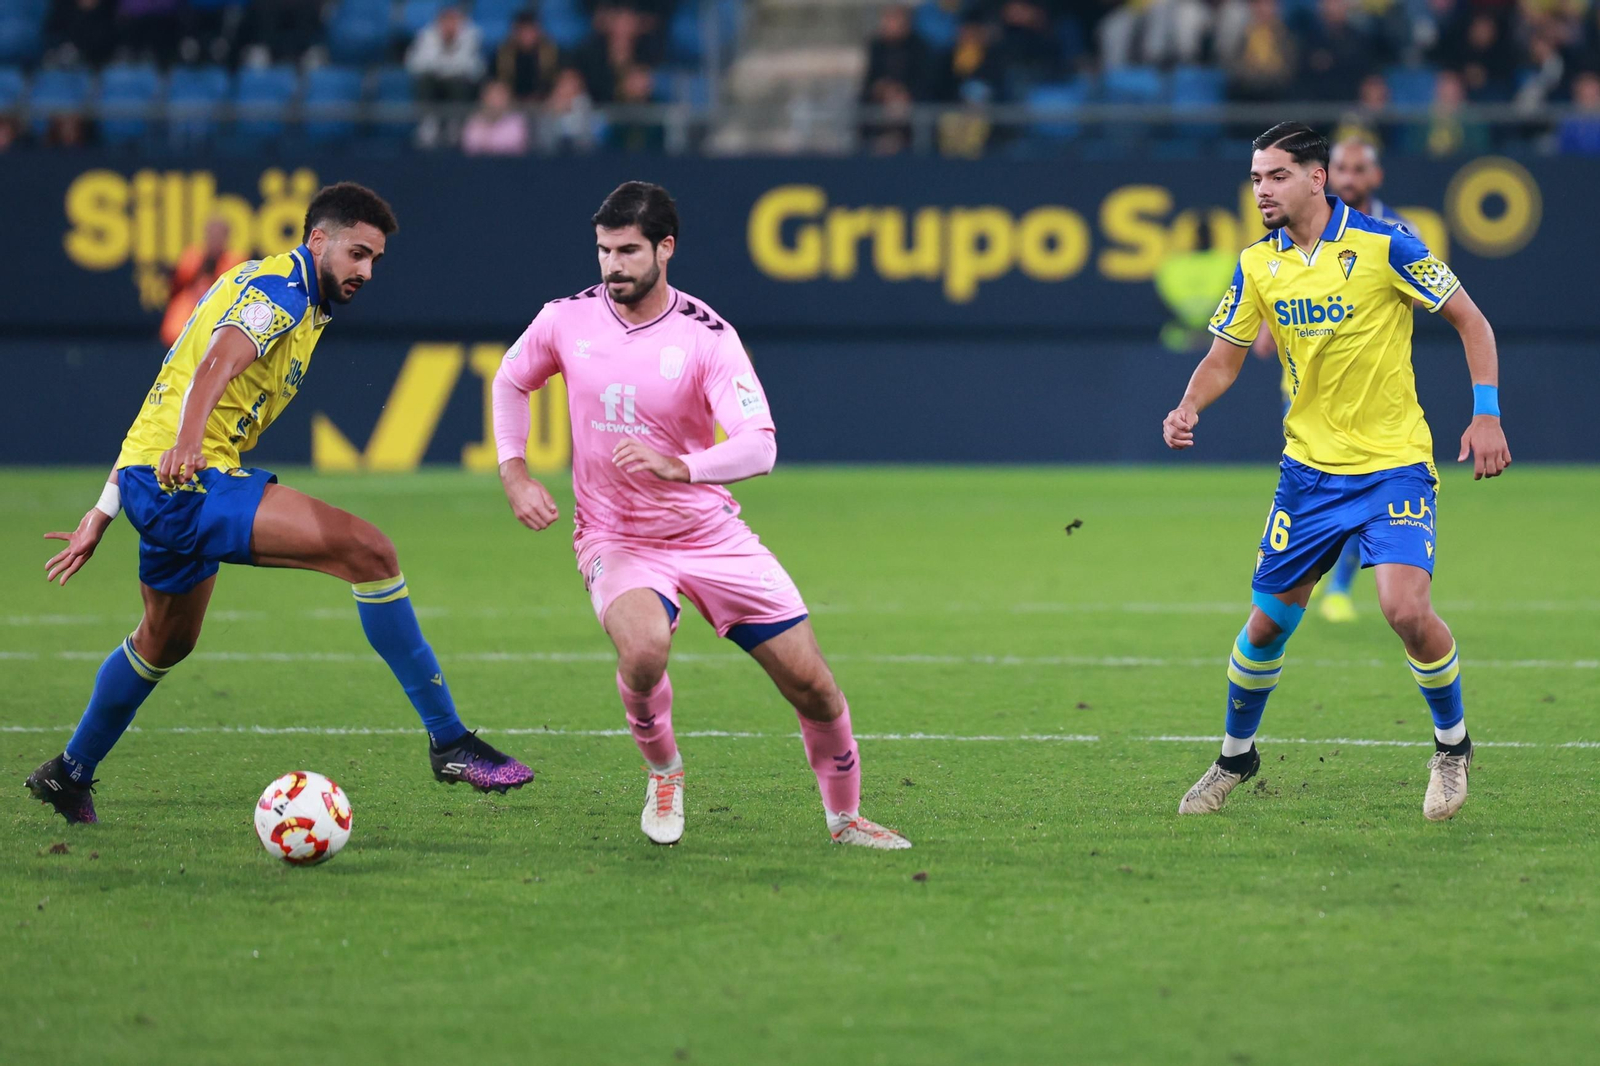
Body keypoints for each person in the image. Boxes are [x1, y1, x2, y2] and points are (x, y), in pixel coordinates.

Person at [27, 183, 534, 825]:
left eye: (375, 259)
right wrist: (189, 444)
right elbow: (212, 365)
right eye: (356, 254)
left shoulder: (267, 285)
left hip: (155, 477)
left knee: (164, 640)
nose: (366, 271)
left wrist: (104, 508)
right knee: (370, 552)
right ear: (318, 240)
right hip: (186, 479)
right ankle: (450, 741)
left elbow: (166, 384)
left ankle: (69, 773)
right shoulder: (283, 292)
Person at [492, 182, 912, 850]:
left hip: (709, 534)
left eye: (628, 251)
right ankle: (664, 772)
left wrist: (681, 466)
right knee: (644, 650)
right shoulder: (565, 320)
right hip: (616, 536)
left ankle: (845, 819)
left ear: (666, 248)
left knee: (813, 686)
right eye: (604, 250)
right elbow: (511, 380)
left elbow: (760, 445)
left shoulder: (706, 336)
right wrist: (514, 472)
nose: (612, 266)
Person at [1163, 123, 1510, 821]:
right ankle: (1235, 756)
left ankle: (1452, 748)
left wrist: (1487, 414)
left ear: (1316, 178)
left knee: (1404, 609)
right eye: (1256, 178)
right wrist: (1189, 403)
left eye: (1277, 176)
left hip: (1393, 466)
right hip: (1309, 476)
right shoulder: (1257, 264)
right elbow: (1225, 356)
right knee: (1265, 627)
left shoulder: (1388, 244)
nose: (1262, 190)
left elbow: (1472, 321)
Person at [1251, 135, 1410, 623]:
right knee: (1331, 495)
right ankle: (1314, 581)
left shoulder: (1394, 233)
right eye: (1342, 168)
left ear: (1375, 176)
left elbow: (1425, 300)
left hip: (1369, 400)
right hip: (1301, 398)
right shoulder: (1282, 241)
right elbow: (1276, 308)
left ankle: (1338, 586)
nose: (1349, 178)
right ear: (1326, 174)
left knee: (1364, 495)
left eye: (1359, 169)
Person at [161, 216, 247, 349]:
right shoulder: (192, 256)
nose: (214, 239)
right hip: (188, 313)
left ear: (226, 237)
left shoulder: (236, 261)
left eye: (219, 235)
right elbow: (177, 285)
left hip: (222, 314)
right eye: (211, 235)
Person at [461, 79, 530, 156]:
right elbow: (470, 150)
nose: (495, 101)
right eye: (492, 96)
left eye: (500, 96)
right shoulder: (474, 122)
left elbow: (513, 149)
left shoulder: (516, 123)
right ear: (484, 98)